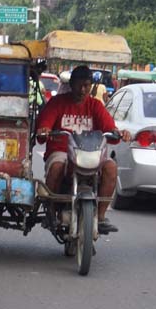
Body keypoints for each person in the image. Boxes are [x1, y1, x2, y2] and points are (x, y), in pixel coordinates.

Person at [36, 65, 131, 234]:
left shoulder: (95, 106)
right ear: (71, 84)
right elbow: (43, 130)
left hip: (91, 154)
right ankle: (50, 209)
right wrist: (44, 130)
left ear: (91, 86)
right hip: (62, 152)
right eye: (79, 84)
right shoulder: (57, 103)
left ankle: (100, 216)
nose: (82, 89)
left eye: (86, 85)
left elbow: (110, 129)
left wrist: (119, 133)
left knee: (110, 167)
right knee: (57, 167)